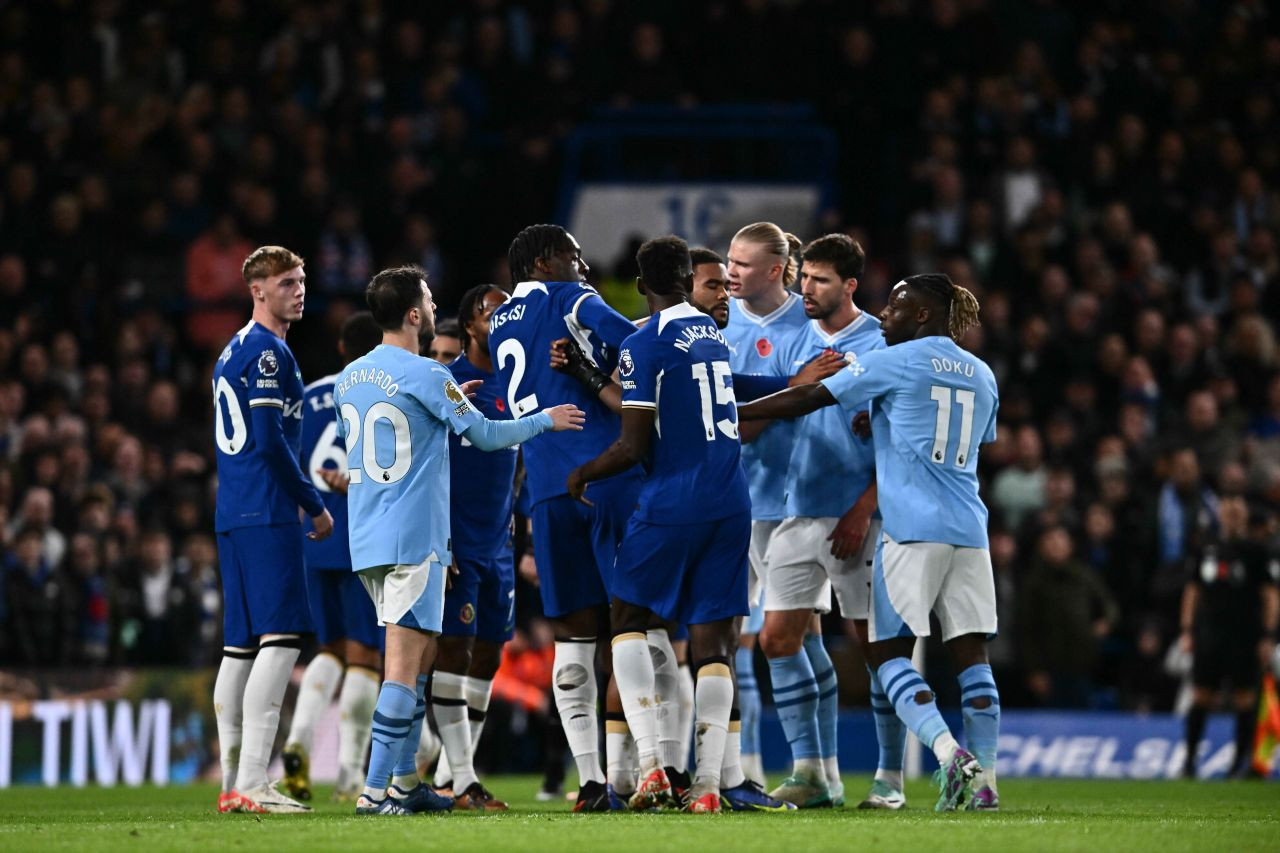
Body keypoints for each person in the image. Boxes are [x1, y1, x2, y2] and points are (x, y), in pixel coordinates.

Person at [738, 273, 1002, 812]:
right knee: (972, 658)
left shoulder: (896, 359)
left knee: (886, 654)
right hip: (971, 530)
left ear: (923, 315)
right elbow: (962, 436)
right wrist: (880, 417)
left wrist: (735, 413)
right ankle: (986, 785)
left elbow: (810, 397)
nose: (885, 314)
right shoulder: (982, 372)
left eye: (897, 305)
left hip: (910, 531)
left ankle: (948, 753)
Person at [336, 264, 583, 816]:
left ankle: (406, 784)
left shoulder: (350, 377)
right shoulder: (429, 372)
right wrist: (546, 419)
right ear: (413, 314)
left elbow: (395, 432)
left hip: (368, 537)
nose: (432, 306)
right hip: (415, 537)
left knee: (420, 658)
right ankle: (374, 793)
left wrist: (448, 403)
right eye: (427, 299)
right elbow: (488, 435)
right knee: (404, 668)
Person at [565, 236, 760, 814]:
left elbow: (632, 445)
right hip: (732, 500)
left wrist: (585, 472)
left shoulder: (643, 342)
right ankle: (707, 786)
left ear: (641, 284)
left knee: (627, 618)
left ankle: (651, 764)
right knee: (714, 643)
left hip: (674, 502)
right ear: (686, 278)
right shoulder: (715, 337)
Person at [487, 224, 643, 811]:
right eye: (575, 256)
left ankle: (593, 782)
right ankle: (651, 768)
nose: (584, 267)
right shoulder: (574, 298)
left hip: (547, 490)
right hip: (606, 477)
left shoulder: (500, 321)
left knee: (573, 640)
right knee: (637, 625)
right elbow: (642, 344)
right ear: (546, 261)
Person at [757, 233, 888, 809]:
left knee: (875, 649)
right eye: (803, 276)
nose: (806, 288)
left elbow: (903, 439)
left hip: (856, 518)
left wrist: (865, 506)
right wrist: (795, 385)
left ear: (850, 285)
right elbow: (762, 419)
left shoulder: (881, 342)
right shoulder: (793, 339)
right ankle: (811, 773)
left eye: (820, 280)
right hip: (797, 508)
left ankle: (889, 779)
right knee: (777, 639)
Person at [211, 245, 334, 815]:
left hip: (234, 512)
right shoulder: (267, 352)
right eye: (287, 283)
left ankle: (232, 783)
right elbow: (269, 441)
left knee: (239, 649)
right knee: (280, 640)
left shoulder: (232, 349)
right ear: (257, 290)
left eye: (301, 280)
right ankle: (254, 782)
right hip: (267, 510)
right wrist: (314, 503)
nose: (299, 290)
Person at [723, 223, 843, 788]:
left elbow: (805, 407)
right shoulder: (717, 322)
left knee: (790, 637)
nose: (730, 273)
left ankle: (818, 770)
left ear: (775, 270)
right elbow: (743, 416)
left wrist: (772, 402)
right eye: (729, 262)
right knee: (744, 637)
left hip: (790, 502)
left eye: (742, 264)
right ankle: (748, 765)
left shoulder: (809, 323)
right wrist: (790, 387)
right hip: (730, 497)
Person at [281, 311, 385, 803]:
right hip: (363, 536)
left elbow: (287, 459)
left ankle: (298, 744)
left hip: (313, 535)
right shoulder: (381, 391)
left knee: (328, 651)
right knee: (365, 656)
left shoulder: (308, 394)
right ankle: (348, 773)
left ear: (342, 348)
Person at [429, 284, 520, 810]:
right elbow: (431, 468)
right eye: (493, 313)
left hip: (499, 543)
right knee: (455, 650)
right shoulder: (449, 383)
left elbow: (519, 457)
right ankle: (463, 780)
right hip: (458, 540)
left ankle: (450, 773)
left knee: (489, 653)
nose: (503, 320)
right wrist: (439, 538)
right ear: (469, 325)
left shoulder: (515, 381)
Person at [1180, 497, 1280, 779]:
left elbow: (1270, 595)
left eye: (1237, 512)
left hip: (1244, 635)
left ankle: (1239, 763)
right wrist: (1187, 629)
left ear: (1245, 517)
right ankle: (1189, 762)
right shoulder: (1206, 547)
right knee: (1201, 695)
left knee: (1244, 699)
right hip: (1209, 634)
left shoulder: (1256, 551)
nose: (1233, 517)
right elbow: (1193, 591)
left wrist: (1267, 635)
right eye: (1228, 512)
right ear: (1220, 515)